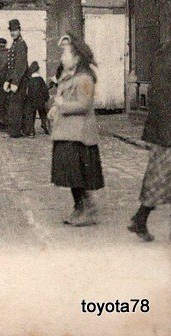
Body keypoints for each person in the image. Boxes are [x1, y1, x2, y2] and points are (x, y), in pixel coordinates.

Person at [48, 33, 104, 226]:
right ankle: (80, 208)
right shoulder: (67, 76)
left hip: (79, 136)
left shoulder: (85, 78)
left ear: (77, 57)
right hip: (66, 133)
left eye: (66, 54)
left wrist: (62, 105)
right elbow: (61, 98)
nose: (62, 58)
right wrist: (55, 108)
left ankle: (87, 208)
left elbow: (84, 105)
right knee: (70, 174)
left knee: (76, 175)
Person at [128, 24, 171, 242]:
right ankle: (140, 219)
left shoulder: (163, 52)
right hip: (168, 131)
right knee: (160, 177)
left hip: (162, 128)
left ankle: (141, 220)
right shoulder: (169, 55)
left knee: (162, 177)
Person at [4, 19, 29, 138]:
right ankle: (14, 130)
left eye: (15, 30)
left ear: (19, 30)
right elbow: (11, 66)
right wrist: (8, 80)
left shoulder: (21, 44)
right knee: (13, 105)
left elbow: (20, 66)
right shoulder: (15, 44)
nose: (13, 33)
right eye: (11, 30)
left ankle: (15, 132)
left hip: (20, 81)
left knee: (16, 106)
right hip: (15, 80)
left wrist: (15, 82)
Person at [22, 61, 50, 136]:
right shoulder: (40, 79)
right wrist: (46, 98)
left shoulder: (29, 79)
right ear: (37, 70)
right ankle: (44, 124)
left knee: (32, 114)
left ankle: (32, 130)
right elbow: (44, 90)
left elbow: (26, 91)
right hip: (40, 101)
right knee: (43, 112)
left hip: (32, 101)